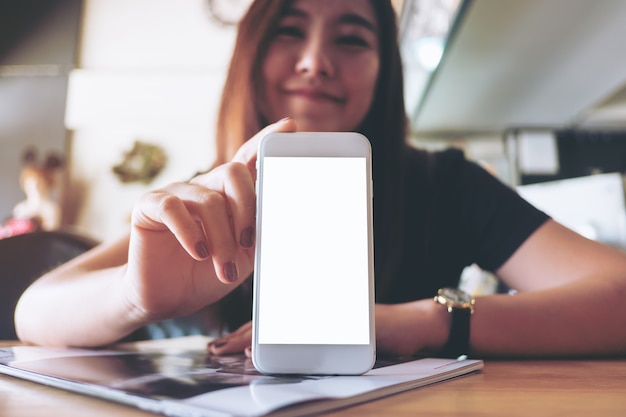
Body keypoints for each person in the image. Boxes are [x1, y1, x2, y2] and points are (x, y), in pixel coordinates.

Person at [15, 0, 626, 358]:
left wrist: (419, 321)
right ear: (250, 55)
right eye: (289, 30)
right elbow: (34, 313)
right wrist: (133, 297)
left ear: (384, 73)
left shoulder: (446, 184)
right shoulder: (209, 193)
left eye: (352, 38)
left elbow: (616, 295)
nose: (315, 60)